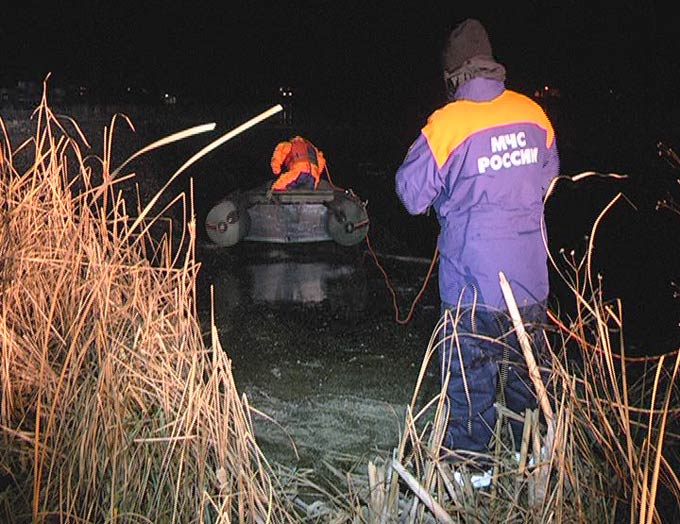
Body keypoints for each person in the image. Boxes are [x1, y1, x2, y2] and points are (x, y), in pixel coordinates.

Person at [395, 19, 559, 465]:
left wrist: (454, 196)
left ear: (452, 75)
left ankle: (471, 477)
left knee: (470, 392)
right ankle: (535, 473)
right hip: (529, 287)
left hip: (471, 289)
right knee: (529, 391)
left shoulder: (448, 124)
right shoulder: (534, 114)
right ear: (491, 65)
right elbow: (548, 181)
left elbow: (410, 195)